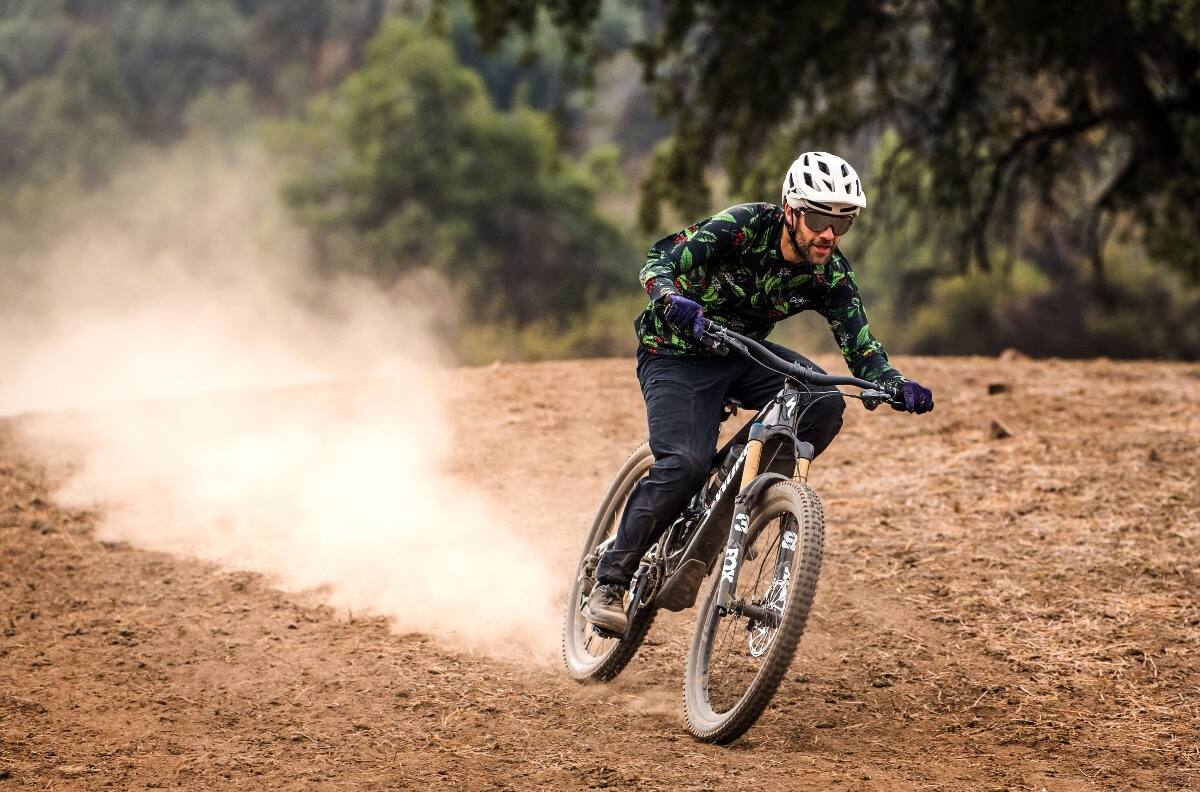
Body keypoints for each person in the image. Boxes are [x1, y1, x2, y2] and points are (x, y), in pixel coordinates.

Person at [585, 151, 934, 636]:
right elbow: (657, 260)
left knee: (823, 401)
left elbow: (862, 347)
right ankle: (609, 580)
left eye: (843, 223)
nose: (828, 234)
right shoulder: (744, 226)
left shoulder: (829, 273)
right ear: (791, 210)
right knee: (684, 460)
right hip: (676, 352)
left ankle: (725, 489)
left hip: (741, 353)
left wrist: (892, 383)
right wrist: (671, 299)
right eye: (818, 219)